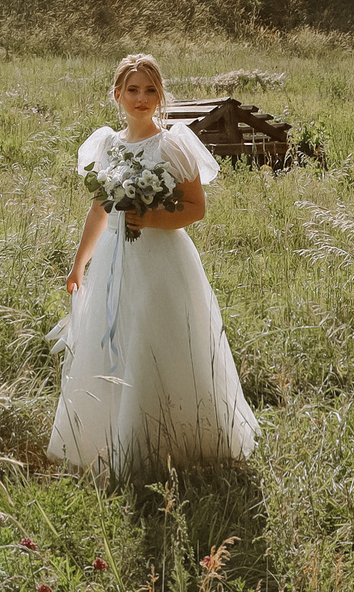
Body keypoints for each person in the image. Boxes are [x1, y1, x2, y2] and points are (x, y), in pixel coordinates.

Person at [49, 52, 260, 477]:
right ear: (118, 95)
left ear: (160, 95)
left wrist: (154, 219)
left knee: (156, 340)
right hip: (114, 259)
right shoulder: (107, 145)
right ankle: (108, 440)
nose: (141, 98)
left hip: (162, 260)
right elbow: (99, 210)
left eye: (149, 90)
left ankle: (173, 442)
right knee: (114, 342)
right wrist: (78, 265)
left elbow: (196, 208)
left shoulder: (172, 144)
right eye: (132, 90)